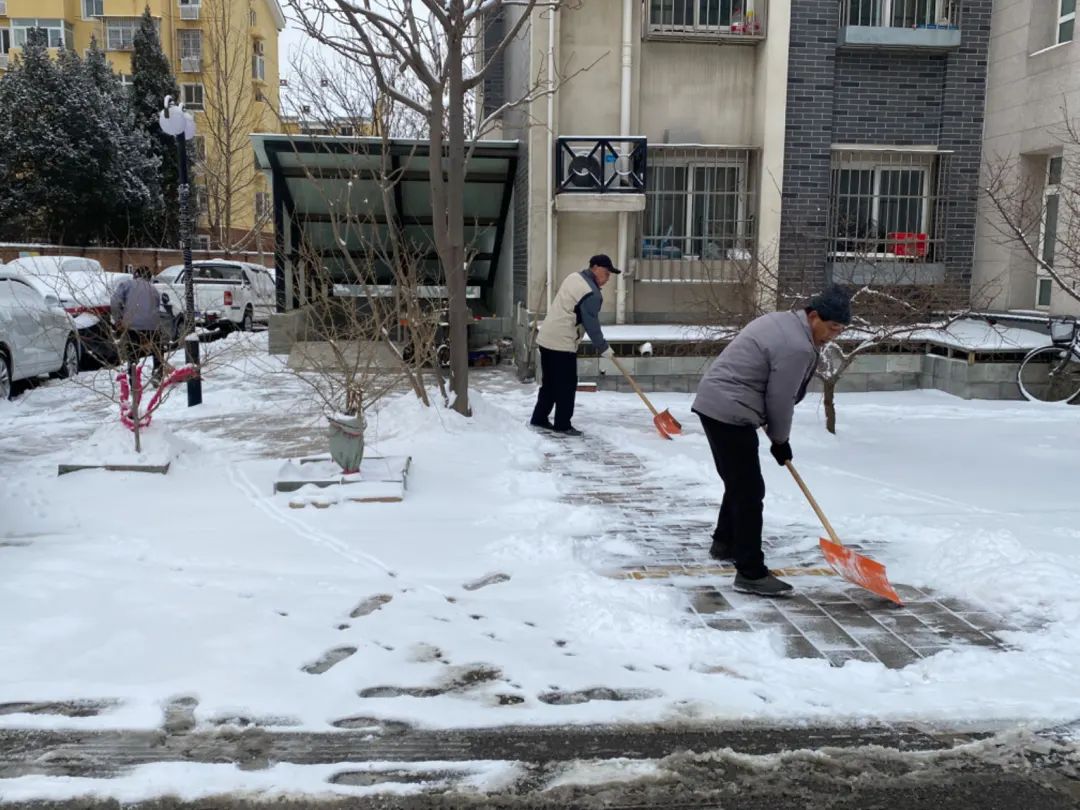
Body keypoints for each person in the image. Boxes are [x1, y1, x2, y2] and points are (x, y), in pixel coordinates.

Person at [691, 284, 852, 597]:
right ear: (815, 316)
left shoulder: (783, 321)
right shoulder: (797, 346)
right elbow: (780, 398)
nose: (833, 336)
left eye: (840, 331)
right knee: (750, 491)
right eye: (832, 328)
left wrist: (775, 434)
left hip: (716, 403)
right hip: (730, 410)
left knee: (739, 483)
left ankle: (725, 542)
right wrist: (780, 440)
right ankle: (750, 572)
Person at [530, 254, 619, 437]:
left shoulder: (574, 277)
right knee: (567, 384)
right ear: (595, 268)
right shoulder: (591, 293)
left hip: (546, 337)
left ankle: (539, 418)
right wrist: (603, 347)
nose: (608, 278)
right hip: (561, 343)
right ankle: (562, 424)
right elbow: (591, 323)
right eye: (606, 273)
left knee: (550, 383)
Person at [111, 265, 165, 385]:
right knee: (158, 348)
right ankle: (157, 372)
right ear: (149, 277)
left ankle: (133, 378)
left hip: (132, 325)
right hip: (152, 325)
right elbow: (157, 307)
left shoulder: (127, 284)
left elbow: (115, 302)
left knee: (132, 353)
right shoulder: (154, 289)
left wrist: (118, 319)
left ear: (136, 274)